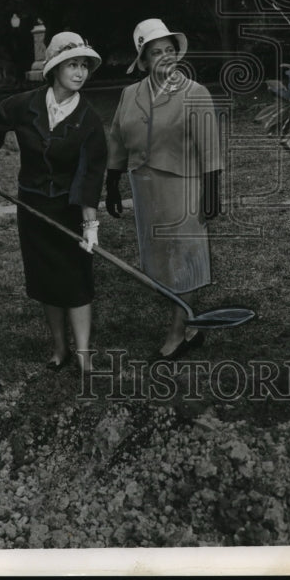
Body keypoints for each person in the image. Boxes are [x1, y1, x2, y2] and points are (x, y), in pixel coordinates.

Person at [0, 32, 107, 376]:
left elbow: (89, 177)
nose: (81, 71)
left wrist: (89, 226)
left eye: (85, 65)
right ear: (55, 67)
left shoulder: (89, 120)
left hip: (69, 209)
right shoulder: (24, 104)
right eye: (73, 64)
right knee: (46, 280)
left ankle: (84, 353)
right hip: (32, 207)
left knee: (76, 279)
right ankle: (59, 348)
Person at [105, 19, 222, 360]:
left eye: (170, 50)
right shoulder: (130, 94)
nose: (165, 57)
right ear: (143, 60)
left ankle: (178, 332)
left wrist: (213, 191)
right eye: (156, 52)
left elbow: (210, 147)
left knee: (184, 256)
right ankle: (192, 323)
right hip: (144, 186)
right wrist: (112, 184)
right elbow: (117, 138)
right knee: (158, 259)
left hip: (183, 186)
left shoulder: (194, 93)